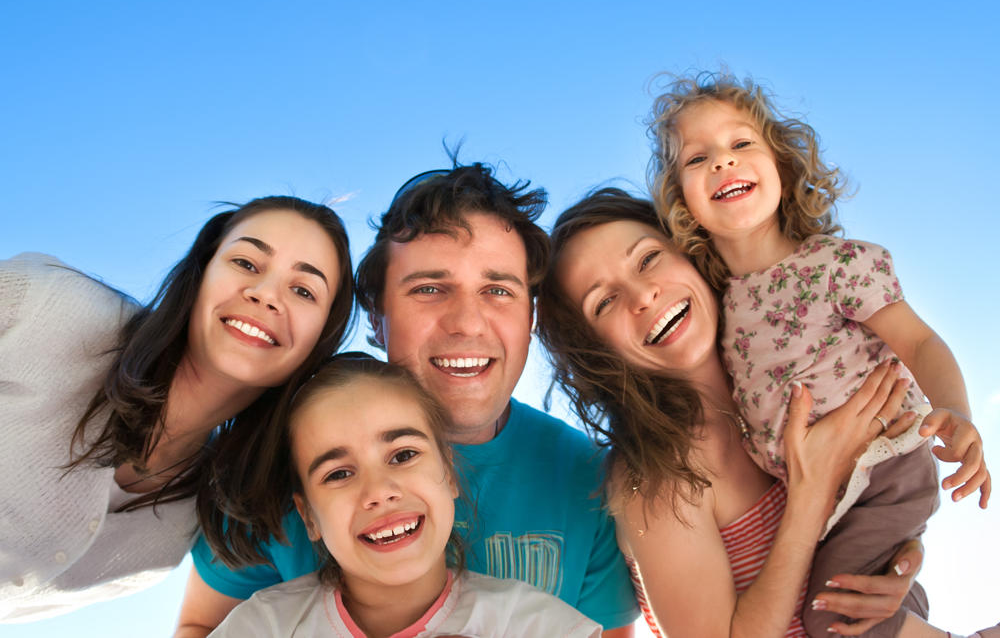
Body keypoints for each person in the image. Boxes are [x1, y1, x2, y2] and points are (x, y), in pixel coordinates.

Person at [176, 164, 639, 637]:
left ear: (531, 317)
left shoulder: (588, 479)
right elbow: (202, 626)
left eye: (498, 290)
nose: (468, 322)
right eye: (430, 289)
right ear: (377, 317)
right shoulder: (279, 457)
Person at [537, 188, 997, 638]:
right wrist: (809, 494)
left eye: (648, 258)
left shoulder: (781, 393)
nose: (642, 295)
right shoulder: (656, 478)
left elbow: (872, 504)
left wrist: (899, 557)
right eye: (604, 302)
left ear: (690, 253)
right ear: (593, 351)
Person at [646, 73, 990, 634]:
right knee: (871, 607)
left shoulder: (837, 265)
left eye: (741, 144)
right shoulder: (717, 306)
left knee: (832, 616)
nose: (722, 164)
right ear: (680, 199)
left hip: (882, 467)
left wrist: (958, 412)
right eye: (697, 158)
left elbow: (921, 341)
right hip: (825, 497)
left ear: (781, 164)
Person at [0, 196, 354, 623]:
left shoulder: (186, 523)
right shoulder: (49, 306)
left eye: (303, 291)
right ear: (200, 273)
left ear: (320, 339)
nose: (265, 295)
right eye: (246, 263)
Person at [209, 352, 601, 637]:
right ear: (308, 515)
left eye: (403, 455)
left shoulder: (536, 625)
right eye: (339, 473)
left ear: (448, 474)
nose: (379, 492)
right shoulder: (263, 626)